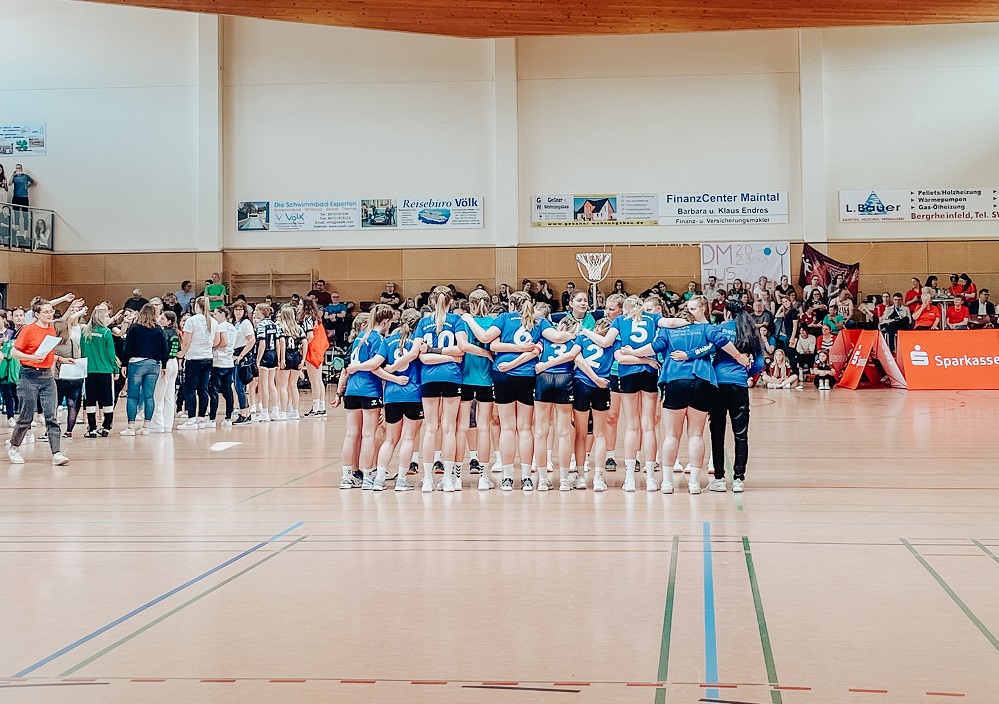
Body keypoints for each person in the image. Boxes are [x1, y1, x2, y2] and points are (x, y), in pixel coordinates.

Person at [460, 290, 573, 492]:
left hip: (503, 375)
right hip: (527, 376)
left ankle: (507, 477)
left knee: (507, 428)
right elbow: (556, 337)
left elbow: (488, 340)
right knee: (525, 428)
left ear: (511, 304)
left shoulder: (504, 317)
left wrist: (468, 318)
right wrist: (573, 332)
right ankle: (527, 478)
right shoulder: (538, 320)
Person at [580, 295, 664, 492]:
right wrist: (646, 359)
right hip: (649, 372)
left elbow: (613, 349)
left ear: (624, 309)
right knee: (649, 426)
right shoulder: (652, 319)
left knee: (632, 426)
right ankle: (651, 477)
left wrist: (583, 331)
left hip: (628, 375)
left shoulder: (619, 323)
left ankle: (629, 478)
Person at [334, 306, 407, 491]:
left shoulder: (359, 338)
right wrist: (358, 367)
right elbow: (375, 365)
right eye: (390, 322)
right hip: (369, 390)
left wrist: (352, 370)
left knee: (351, 434)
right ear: (384, 322)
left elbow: (350, 365)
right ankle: (367, 476)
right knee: (368, 434)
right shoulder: (379, 340)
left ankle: (346, 476)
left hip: (352, 390)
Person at [411, 287, 466, 492]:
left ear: (432, 302)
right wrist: (450, 357)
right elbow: (460, 350)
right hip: (452, 376)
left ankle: (427, 479)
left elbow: (421, 354)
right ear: (451, 302)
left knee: (431, 428)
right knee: (449, 427)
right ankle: (449, 479)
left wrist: (433, 352)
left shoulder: (424, 322)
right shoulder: (457, 320)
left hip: (430, 377)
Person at [7, 297, 70, 466]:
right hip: (28, 376)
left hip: (47, 378)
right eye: (46, 312)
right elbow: (14, 352)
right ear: (36, 314)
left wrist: (58, 359)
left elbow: (46, 354)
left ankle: (56, 452)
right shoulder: (28, 330)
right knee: (26, 416)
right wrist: (31, 357)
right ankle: (14, 446)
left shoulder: (51, 331)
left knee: (51, 416)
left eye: (51, 311)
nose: (50, 314)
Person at [708, 300, 763, 493]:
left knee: (717, 432)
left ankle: (719, 479)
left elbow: (710, 353)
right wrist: (745, 372)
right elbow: (759, 363)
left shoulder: (720, 329)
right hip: (739, 385)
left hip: (718, 384)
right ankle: (739, 479)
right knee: (741, 434)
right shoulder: (749, 330)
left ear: (727, 313)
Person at [376, 308, 426, 492]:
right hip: (413, 393)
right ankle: (402, 479)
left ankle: (379, 479)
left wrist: (391, 375)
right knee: (408, 438)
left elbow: (377, 367)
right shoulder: (418, 344)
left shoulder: (388, 341)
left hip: (391, 394)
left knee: (390, 439)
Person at [533, 317, 582, 491]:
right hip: (565, 378)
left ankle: (542, 480)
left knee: (540, 431)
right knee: (564, 432)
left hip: (544, 378)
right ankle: (563, 480)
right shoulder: (576, 339)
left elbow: (533, 352)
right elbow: (577, 359)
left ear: (559, 326)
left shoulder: (544, 338)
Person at [456, 291, 495, 491]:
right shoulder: (494, 322)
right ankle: (483, 476)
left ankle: (454, 476)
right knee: (483, 428)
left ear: (470, 305)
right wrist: (486, 353)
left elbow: (462, 347)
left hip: (465, 378)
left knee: (461, 427)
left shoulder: (462, 321)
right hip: (486, 380)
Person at [571, 317, 615, 491]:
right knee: (600, 434)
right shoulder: (614, 343)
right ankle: (598, 477)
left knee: (581, 434)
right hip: (602, 386)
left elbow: (576, 359)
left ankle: (581, 477)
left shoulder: (582, 338)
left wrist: (592, 378)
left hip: (581, 384)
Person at [120, 304, 167, 436]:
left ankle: (131, 427)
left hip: (136, 363)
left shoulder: (134, 328)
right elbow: (164, 347)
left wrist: (124, 364)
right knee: (149, 396)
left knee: (133, 396)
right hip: (154, 364)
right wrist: (164, 365)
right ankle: (146, 426)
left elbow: (127, 347)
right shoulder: (158, 329)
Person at [177, 297, 218, 429]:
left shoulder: (192, 320)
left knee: (190, 389)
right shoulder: (213, 321)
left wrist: (181, 354)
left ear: (196, 306)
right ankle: (201, 418)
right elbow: (216, 342)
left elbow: (186, 341)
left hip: (194, 358)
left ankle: (191, 419)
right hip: (208, 358)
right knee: (203, 389)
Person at [81, 305, 119, 437]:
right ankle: (106, 427)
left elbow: (82, 352)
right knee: (107, 399)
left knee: (90, 399)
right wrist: (116, 369)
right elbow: (110, 353)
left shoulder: (85, 332)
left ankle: (91, 428)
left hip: (89, 370)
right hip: (104, 370)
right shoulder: (106, 332)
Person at [53, 307, 87, 439]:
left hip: (59, 377)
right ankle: (69, 431)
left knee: (54, 405)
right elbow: (77, 356)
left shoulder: (54, 345)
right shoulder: (73, 342)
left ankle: (51, 430)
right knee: (73, 404)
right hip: (75, 377)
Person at [149, 311, 181, 433]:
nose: (160, 319)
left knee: (158, 395)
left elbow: (161, 349)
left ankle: (157, 424)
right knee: (169, 395)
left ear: (169, 321)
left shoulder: (163, 333)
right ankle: (168, 424)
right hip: (173, 363)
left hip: (165, 363)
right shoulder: (175, 333)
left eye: (162, 318)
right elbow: (178, 350)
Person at [276, 304, 305, 420]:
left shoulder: (280, 327)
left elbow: (282, 341)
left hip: (286, 355)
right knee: (293, 385)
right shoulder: (298, 328)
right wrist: (303, 359)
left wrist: (281, 359)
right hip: (296, 355)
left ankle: (283, 411)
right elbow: (305, 342)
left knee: (282, 385)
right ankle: (295, 411)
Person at [301, 298, 329, 417]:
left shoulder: (307, 318)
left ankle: (316, 408)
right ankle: (321, 407)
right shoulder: (316, 318)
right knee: (318, 380)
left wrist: (302, 346)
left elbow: (309, 336)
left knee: (314, 381)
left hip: (312, 349)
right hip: (319, 349)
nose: (299, 306)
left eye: (301, 304)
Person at [252, 303, 279, 422]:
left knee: (264, 384)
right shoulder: (273, 324)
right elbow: (278, 342)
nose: (255, 312)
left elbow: (262, 344)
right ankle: (276, 411)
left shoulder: (261, 325)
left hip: (265, 354)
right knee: (272, 384)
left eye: (256, 310)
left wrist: (258, 359)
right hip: (273, 353)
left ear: (261, 311)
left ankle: (264, 412)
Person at [230, 303, 256, 424]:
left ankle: (245, 413)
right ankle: (244, 412)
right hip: (233, 355)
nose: (238, 312)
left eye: (240, 309)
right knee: (237, 386)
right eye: (236, 309)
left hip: (241, 356)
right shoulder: (234, 323)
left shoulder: (246, 323)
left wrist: (242, 355)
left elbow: (251, 340)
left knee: (240, 386)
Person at [9, 165, 35, 230]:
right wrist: (12, 175)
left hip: (24, 197)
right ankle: (17, 230)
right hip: (16, 197)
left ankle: (26, 230)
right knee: (16, 215)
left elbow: (33, 182)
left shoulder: (25, 176)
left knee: (25, 215)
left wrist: (27, 186)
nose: (18, 169)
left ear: (22, 169)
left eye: (19, 168)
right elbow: (9, 184)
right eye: (17, 168)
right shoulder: (14, 177)